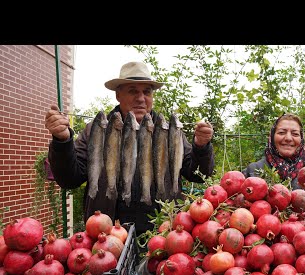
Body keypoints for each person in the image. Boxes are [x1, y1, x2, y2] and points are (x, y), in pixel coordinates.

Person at [45, 61, 215, 235]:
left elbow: (198, 175)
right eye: (133, 91)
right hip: (109, 235)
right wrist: (62, 141)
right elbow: (69, 179)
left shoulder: (168, 132)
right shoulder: (96, 131)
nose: (141, 98)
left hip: (164, 233)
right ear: (118, 95)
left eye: (146, 92)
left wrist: (201, 147)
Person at [242, 113, 305, 210]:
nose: (288, 138)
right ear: (272, 136)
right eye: (281, 132)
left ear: (301, 138)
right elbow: (238, 206)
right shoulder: (254, 170)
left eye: (295, 134)